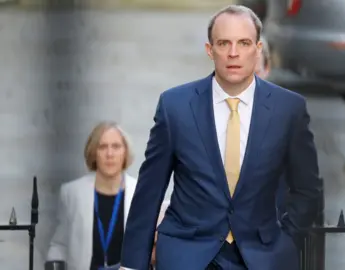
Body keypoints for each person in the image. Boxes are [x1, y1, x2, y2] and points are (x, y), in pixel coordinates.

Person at [120, 5, 323, 270]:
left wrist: (285, 239)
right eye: (224, 43)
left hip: (262, 257)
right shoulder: (175, 107)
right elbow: (149, 191)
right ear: (210, 49)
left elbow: (307, 189)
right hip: (187, 255)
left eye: (244, 43)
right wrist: (132, 265)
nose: (233, 53)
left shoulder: (289, 110)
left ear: (258, 49)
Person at [46, 121, 138, 270]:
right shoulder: (72, 193)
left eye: (116, 146)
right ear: (93, 152)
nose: (110, 154)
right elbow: (60, 245)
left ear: (125, 152)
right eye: (102, 147)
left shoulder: (140, 193)